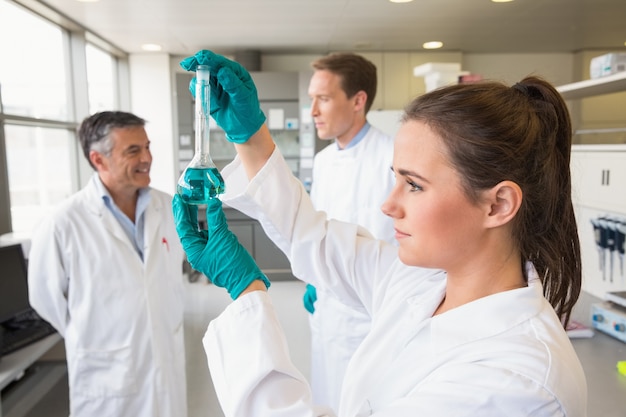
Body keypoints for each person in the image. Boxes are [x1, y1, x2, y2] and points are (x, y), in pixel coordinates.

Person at [174, 50, 587, 416]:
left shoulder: (516, 381)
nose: (388, 205)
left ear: (497, 205)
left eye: (414, 184)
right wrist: (250, 136)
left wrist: (248, 292)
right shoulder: (420, 283)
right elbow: (312, 236)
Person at [28, 111, 188, 417]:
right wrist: (89, 335)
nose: (147, 158)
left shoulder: (168, 208)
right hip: (105, 379)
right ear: (98, 160)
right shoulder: (63, 223)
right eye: (133, 151)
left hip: (165, 366)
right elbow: (45, 299)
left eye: (147, 146)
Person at [304, 52, 395, 412]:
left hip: (375, 316)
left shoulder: (393, 157)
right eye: (312, 99)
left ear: (358, 101)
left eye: (323, 99)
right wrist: (313, 277)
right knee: (329, 399)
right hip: (328, 312)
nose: (313, 111)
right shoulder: (323, 161)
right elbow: (316, 230)